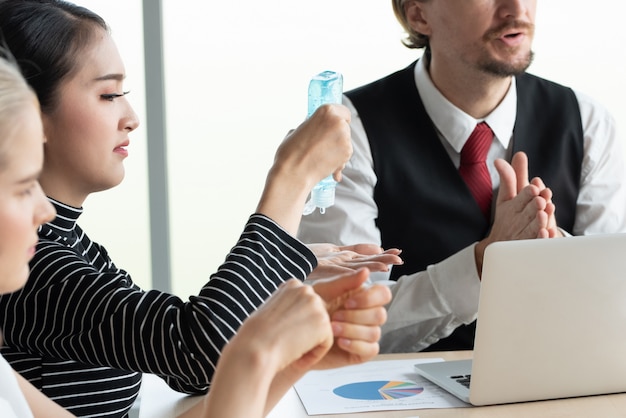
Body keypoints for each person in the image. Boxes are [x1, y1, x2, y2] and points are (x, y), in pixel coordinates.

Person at [0, 0, 400, 416]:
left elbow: (193, 370)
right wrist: (291, 177)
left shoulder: (68, 243)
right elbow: (201, 349)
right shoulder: (34, 267)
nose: (132, 117)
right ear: (25, 110)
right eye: (109, 94)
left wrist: (287, 267)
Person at [298, 0, 626, 353]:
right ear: (419, 15)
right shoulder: (348, 132)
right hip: (401, 397)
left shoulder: (587, 122)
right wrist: (481, 265)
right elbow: (341, 321)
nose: (516, 9)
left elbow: (613, 301)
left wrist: (554, 247)